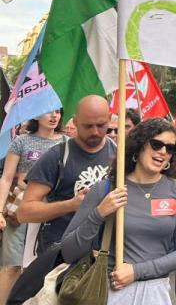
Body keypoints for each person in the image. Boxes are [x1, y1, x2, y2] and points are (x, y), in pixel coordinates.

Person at [61, 118, 176, 303]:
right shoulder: (106, 189)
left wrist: (136, 271)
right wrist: (99, 214)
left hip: (156, 293)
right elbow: (68, 252)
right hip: (110, 290)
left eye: (171, 148)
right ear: (139, 145)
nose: (163, 152)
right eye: (157, 144)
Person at [17, 95, 116, 256]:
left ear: (110, 119)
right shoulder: (57, 156)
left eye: (101, 125)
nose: (95, 131)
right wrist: (71, 205)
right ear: (75, 121)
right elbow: (24, 212)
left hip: (106, 253)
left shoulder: (121, 155)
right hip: (61, 255)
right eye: (88, 126)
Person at [0, 111, 64, 303]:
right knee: (11, 266)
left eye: (57, 112)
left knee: (39, 269)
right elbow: (6, 178)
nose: (54, 116)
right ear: (35, 115)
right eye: (48, 112)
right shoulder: (21, 141)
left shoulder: (66, 143)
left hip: (51, 213)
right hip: (19, 212)